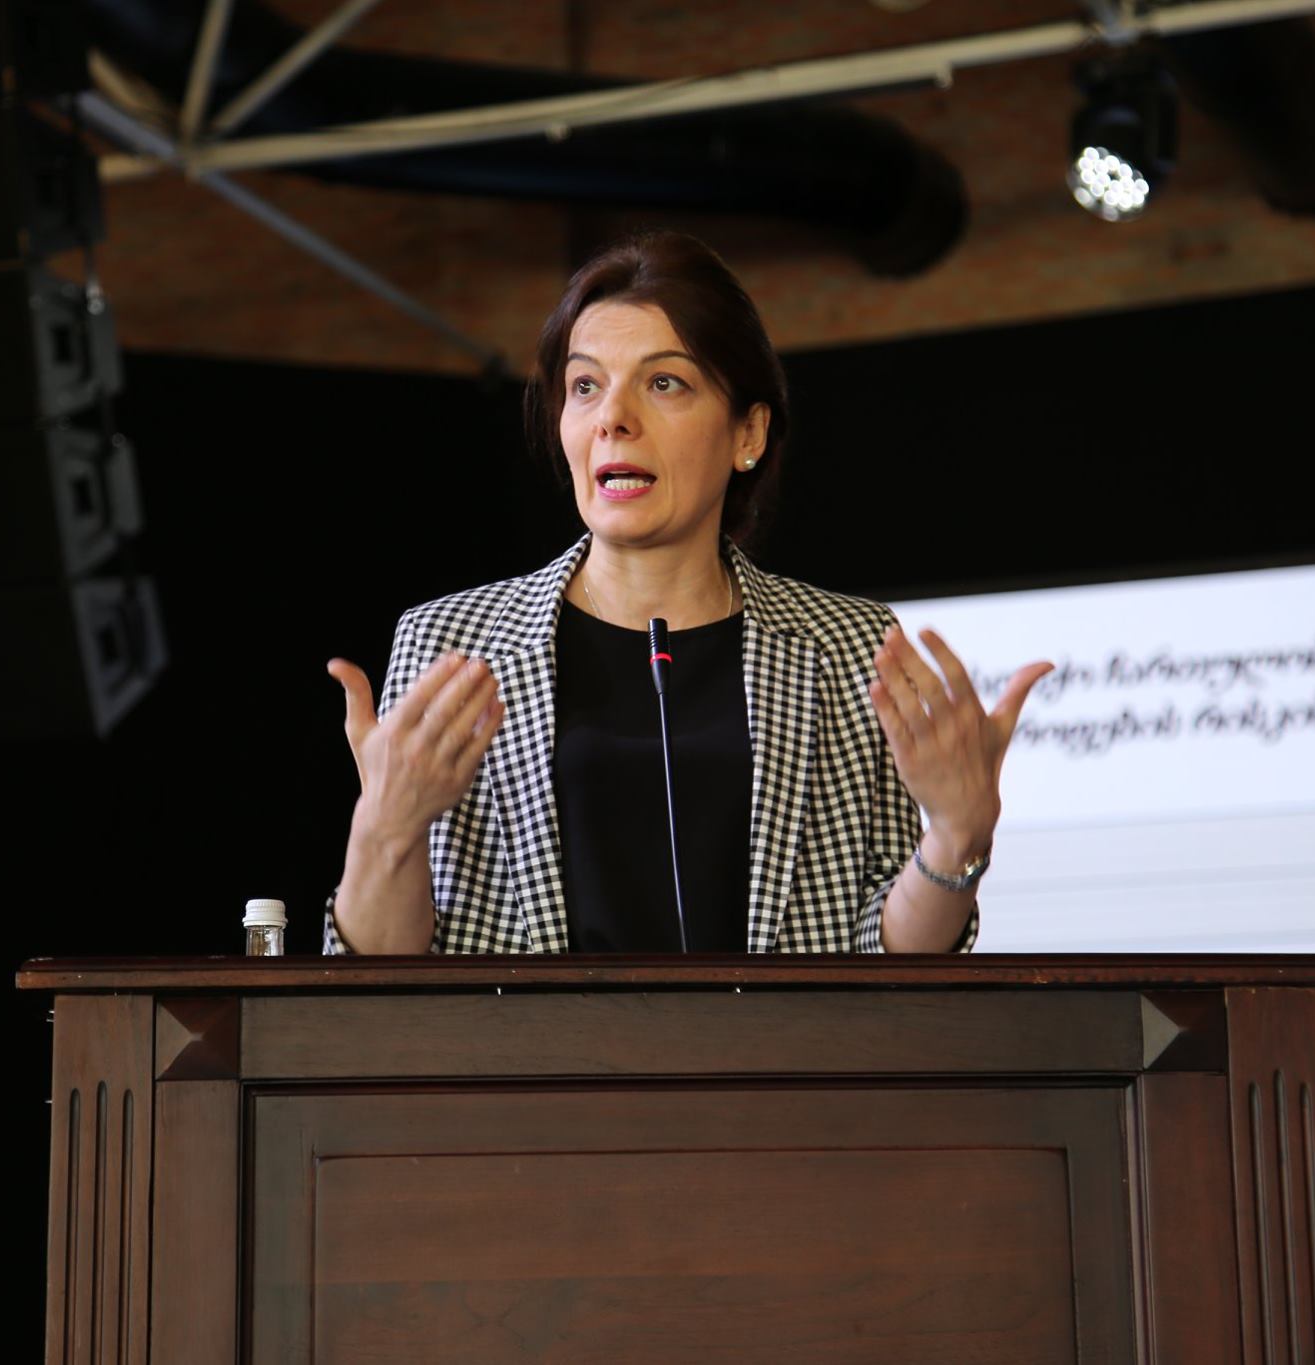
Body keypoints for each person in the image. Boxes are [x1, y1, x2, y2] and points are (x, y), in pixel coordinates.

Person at [324, 230, 1051, 955]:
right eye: (585, 386)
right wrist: (384, 828)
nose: (612, 417)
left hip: (780, 1037)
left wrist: (956, 837)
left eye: (664, 382)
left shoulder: (849, 648)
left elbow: (887, 967)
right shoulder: (452, 645)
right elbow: (381, 983)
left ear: (749, 433)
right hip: (523, 1038)